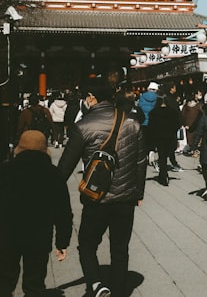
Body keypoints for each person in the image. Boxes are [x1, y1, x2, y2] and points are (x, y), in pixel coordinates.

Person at [57, 80, 146, 297]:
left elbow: (65, 167)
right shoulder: (133, 122)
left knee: (87, 244)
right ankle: (119, 292)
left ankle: (96, 284)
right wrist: (139, 193)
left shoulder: (83, 126)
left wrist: (52, 191)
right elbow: (140, 161)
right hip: (125, 198)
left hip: (96, 198)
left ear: (91, 98)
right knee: (120, 248)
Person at [0, 130, 72, 297]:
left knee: (3, 282)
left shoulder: (2, 170)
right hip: (38, 239)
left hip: (6, 236)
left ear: (19, 148)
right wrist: (62, 243)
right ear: (44, 150)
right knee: (35, 285)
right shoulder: (53, 174)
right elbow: (63, 213)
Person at [147, 93, 183, 186]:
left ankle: (163, 175)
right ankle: (163, 174)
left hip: (158, 137)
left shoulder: (153, 113)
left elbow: (150, 127)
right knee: (166, 154)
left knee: (162, 156)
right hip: (170, 136)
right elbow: (178, 123)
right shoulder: (173, 112)